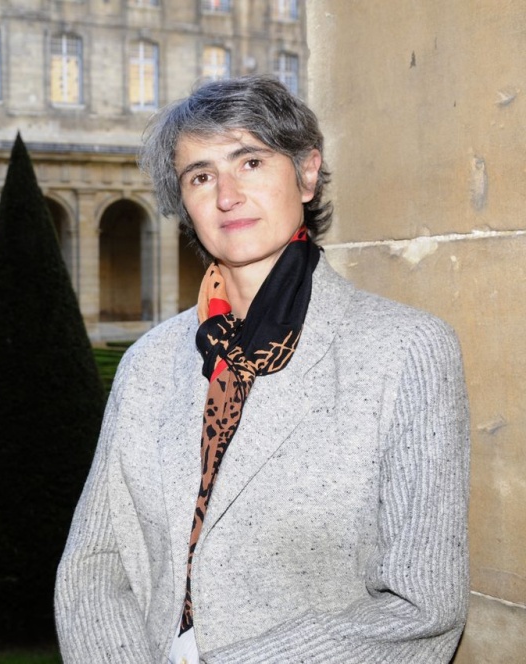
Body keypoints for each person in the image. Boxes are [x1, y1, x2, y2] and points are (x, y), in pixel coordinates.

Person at [54, 76, 470, 663]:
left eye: (249, 161)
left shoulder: (406, 350)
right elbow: (94, 567)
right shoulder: (147, 363)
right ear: (185, 203)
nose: (226, 195)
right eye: (200, 176)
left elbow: (421, 608)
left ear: (305, 173)